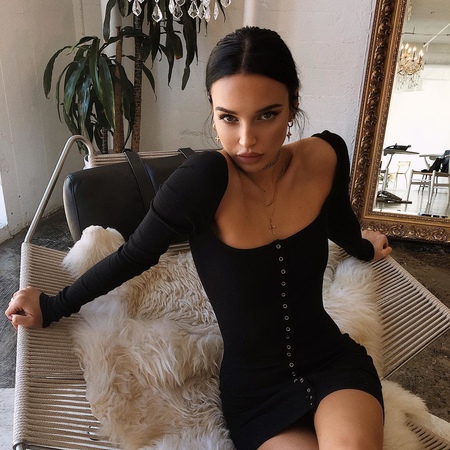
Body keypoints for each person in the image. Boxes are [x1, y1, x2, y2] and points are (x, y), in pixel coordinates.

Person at [6, 27, 391, 450]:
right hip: (257, 392)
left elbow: (338, 220)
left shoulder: (325, 156)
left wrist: (363, 247)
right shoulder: (202, 181)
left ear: (293, 105)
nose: (246, 140)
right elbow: (133, 255)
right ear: (212, 110)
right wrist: (52, 306)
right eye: (229, 117)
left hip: (332, 362)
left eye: (267, 115)